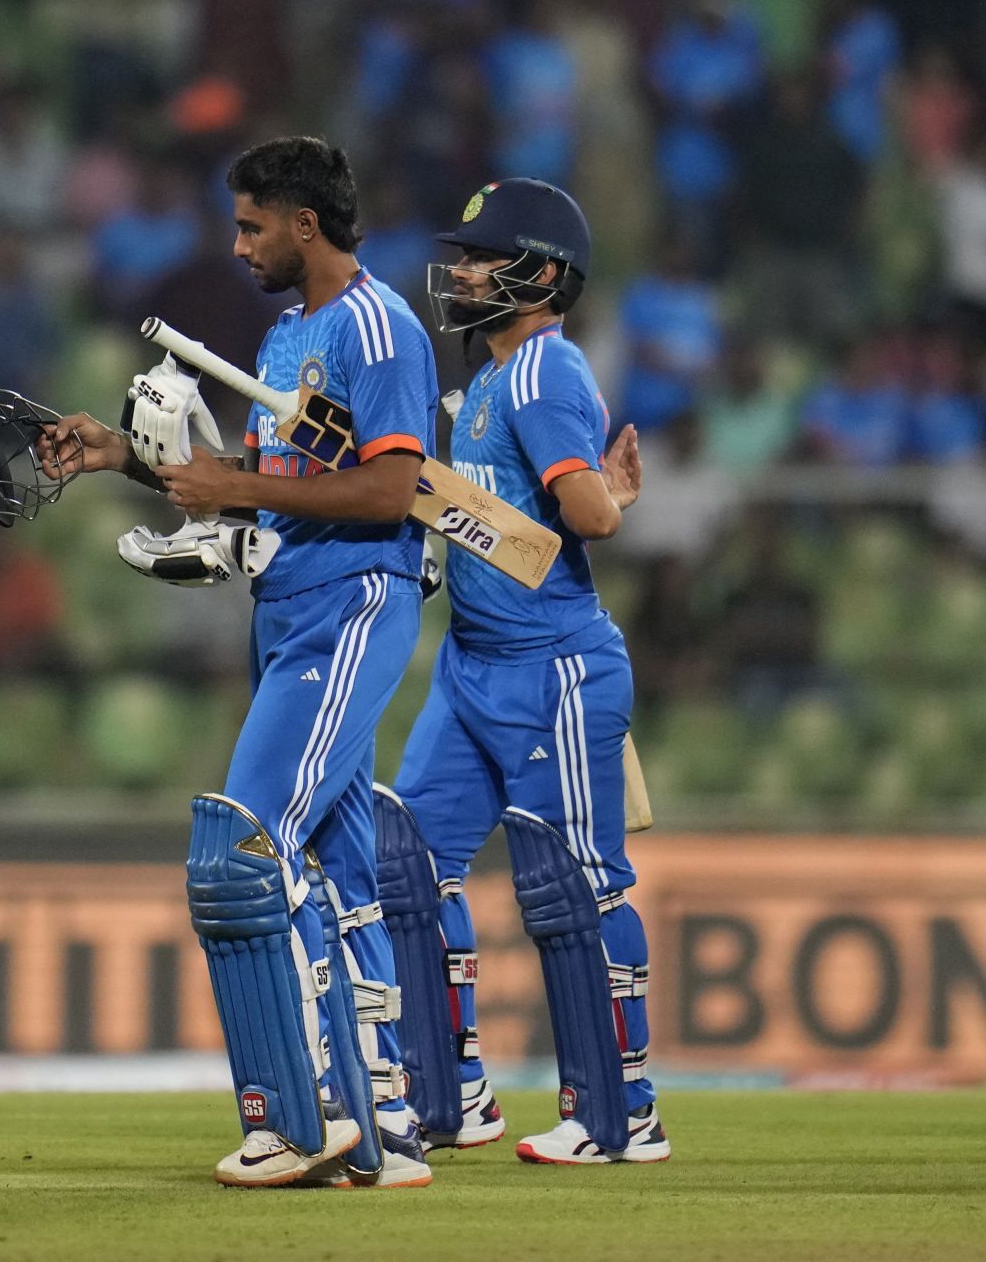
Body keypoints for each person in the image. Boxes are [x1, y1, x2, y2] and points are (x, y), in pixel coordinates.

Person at [33, 137, 436, 1189]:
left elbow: (393, 491)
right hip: (289, 610)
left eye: (253, 224)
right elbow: (252, 477)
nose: (238, 242)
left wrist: (241, 491)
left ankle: (302, 1118)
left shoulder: (377, 326)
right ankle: (381, 1119)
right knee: (342, 878)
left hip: (348, 604)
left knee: (244, 848)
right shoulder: (294, 329)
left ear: (306, 224)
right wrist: (124, 454)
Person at [372, 177, 667, 1165]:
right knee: (407, 863)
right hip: (471, 666)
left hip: (555, 667)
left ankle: (623, 1113)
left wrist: (609, 496)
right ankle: (449, 1094)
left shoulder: (542, 371)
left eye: (479, 257)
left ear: (539, 274)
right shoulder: (493, 379)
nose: (458, 271)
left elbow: (584, 518)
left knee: (575, 888)